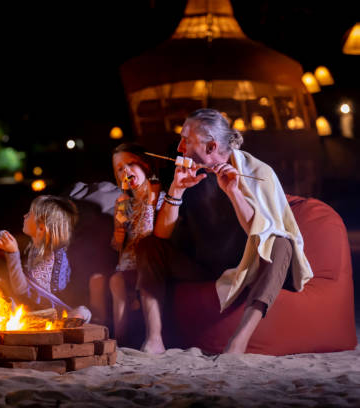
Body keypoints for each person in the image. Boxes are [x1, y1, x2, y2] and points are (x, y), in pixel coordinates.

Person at [137, 108, 313, 354]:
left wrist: (233, 192)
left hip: (244, 264)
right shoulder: (187, 170)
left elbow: (263, 235)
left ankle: (239, 341)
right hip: (200, 263)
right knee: (149, 246)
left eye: (186, 140)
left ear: (211, 147)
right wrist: (176, 190)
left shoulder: (257, 172)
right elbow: (163, 237)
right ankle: (154, 338)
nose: (179, 148)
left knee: (282, 244)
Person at [0, 195, 91, 321]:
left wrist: (13, 254)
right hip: (32, 309)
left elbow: (22, 289)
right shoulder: (34, 250)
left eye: (29, 214)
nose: (24, 215)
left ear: (41, 227)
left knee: (82, 312)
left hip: (54, 311)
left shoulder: (53, 257)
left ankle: (72, 321)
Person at [105, 143, 163, 345]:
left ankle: (154, 337)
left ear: (146, 166)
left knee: (137, 278)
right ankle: (120, 340)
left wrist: (149, 197)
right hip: (128, 262)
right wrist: (118, 236)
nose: (126, 171)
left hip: (150, 260)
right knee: (115, 280)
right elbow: (117, 243)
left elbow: (148, 229)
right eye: (120, 169)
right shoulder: (124, 203)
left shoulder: (159, 195)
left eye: (131, 164)